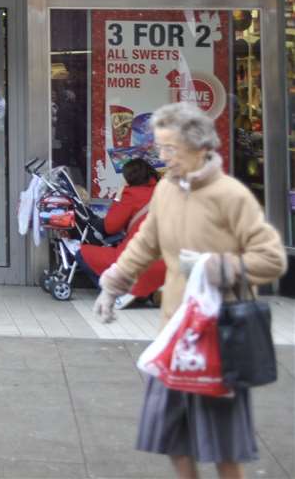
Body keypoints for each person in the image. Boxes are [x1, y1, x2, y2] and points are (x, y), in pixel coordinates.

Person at [93, 103, 286, 479]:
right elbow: (144, 244)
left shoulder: (231, 196)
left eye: (170, 150)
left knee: (223, 448)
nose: (163, 158)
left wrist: (225, 267)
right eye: (160, 149)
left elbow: (272, 258)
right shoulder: (165, 190)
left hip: (220, 335)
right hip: (176, 334)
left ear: (200, 149)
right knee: (172, 437)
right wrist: (112, 286)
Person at [79, 158, 165, 307]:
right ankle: (142, 294)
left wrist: (119, 196)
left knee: (82, 253)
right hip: (166, 261)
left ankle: (118, 293)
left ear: (129, 177)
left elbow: (110, 226)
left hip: (136, 259)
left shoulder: (131, 194)